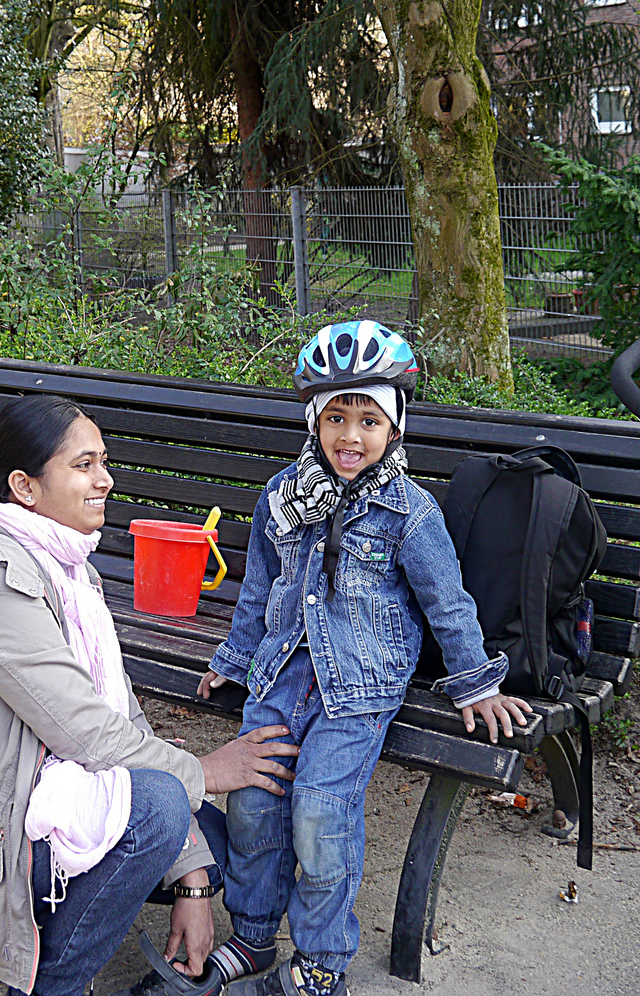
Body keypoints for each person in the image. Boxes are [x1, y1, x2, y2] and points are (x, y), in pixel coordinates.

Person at [0, 393, 300, 996]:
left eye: (103, 461)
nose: (105, 479)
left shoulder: (70, 573)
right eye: (83, 466)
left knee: (210, 841)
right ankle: (57, 983)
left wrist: (194, 882)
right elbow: (87, 731)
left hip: (31, 790)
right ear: (25, 486)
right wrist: (207, 768)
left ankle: (70, 921)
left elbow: (120, 717)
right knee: (160, 807)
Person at [184, 320, 534, 996]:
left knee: (319, 813)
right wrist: (235, 655)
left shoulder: (410, 510)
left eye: (368, 419)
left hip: (358, 687)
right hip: (282, 676)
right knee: (254, 806)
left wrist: (473, 685)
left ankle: (319, 965)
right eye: (336, 416)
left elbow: (447, 602)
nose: (350, 435)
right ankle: (253, 937)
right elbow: (260, 582)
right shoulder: (282, 497)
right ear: (314, 421)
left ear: (394, 427)